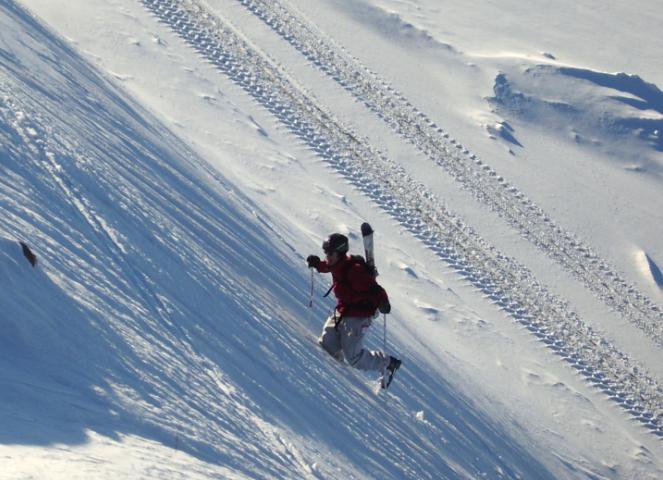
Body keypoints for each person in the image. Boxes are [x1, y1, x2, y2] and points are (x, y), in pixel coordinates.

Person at [307, 233, 401, 385]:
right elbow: (328, 266)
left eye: (330, 253)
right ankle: (335, 375)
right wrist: (317, 264)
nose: (327, 256)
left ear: (339, 253)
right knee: (327, 344)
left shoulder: (355, 271)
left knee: (354, 358)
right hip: (343, 311)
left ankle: (388, 363)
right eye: (326, 253)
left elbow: (376, 290)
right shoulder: (337, 264)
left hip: (358, 317)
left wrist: (383, 302)